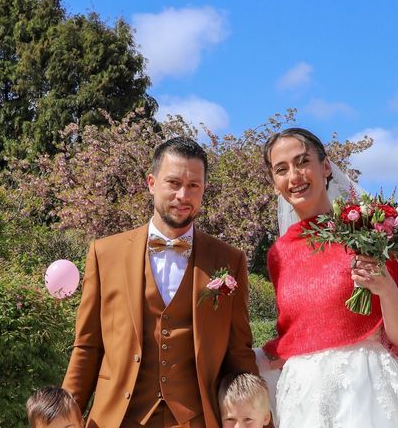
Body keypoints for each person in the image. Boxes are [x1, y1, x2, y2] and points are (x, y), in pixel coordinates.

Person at [62, 137, 259, 428]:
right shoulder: (105, 253)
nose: (183, 195)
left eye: (194, 185)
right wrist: (62, 417)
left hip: (197, 419)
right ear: (152, 183)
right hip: (118, 418)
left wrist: (257, 418)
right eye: (173, 183)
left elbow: (238, 350)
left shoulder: (230, 260)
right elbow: (88, 346)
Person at [260, 127, 398, 427]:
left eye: (303, 162)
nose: (294, 176)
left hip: (364, 392)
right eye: (282, 169)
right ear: (275, 183)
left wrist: (386, 289)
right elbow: (296, 333)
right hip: (302, 398)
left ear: (326, 166)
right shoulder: (278, 254)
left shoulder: (367, 232)